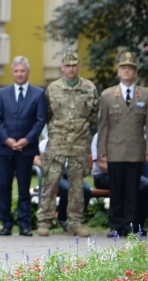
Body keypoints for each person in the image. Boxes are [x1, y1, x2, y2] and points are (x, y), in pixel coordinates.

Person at [36, 51, 99, 237]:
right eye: (67, 65)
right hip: (57, 143)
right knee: (50, 182)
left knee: (77, 185)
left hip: (79, 144)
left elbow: (93, 114)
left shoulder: (89, 88)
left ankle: (75, 223)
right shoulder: (52, 88)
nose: (71, 69)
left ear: (79, 66)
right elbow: (46, 115)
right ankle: (44, 221)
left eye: (74, 65)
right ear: (62, 68)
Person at [0, 56, 46, 236]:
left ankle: (24, 224)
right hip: (5, 148)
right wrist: (7, 140)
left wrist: (26, 140)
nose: (19, 74)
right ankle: (6, 223)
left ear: (28, 72)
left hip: (26, 148)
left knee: (24, 187)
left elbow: (40, 121)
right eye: (16, 71)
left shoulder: (38, 94)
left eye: (23, 71)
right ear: (12, 72)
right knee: (5, 186)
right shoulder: (2, 93)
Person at [97, 51, 148, 237]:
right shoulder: (108, 95)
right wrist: (101, 152)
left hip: (136, 150)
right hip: (114, 150)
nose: (127, 71)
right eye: (123, 68)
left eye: (130, 68)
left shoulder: (145, 95)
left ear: (135, 72)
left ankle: (130, 225)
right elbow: (102, 126)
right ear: (118, 71)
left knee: (133, 191)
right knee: (116, 190)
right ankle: (115, 226)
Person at [36, 137, 91, 231]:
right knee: (67, 188)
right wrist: (46, 168)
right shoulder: (46, 143)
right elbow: (36, 159)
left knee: (86, 190)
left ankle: (77, 220)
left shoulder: (74, 142)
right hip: (55, 172)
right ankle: (62, 219)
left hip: (71, 171)